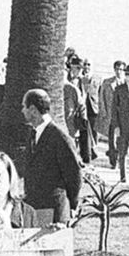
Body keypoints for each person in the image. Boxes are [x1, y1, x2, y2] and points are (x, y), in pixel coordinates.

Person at [19, 88, 81, 225]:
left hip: (54, 211)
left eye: (24, 106)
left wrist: (72, 205)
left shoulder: (59, 136)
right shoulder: (32, 133)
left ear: (33, 110)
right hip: (34, 208)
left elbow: (74, 174)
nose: (22, 111)